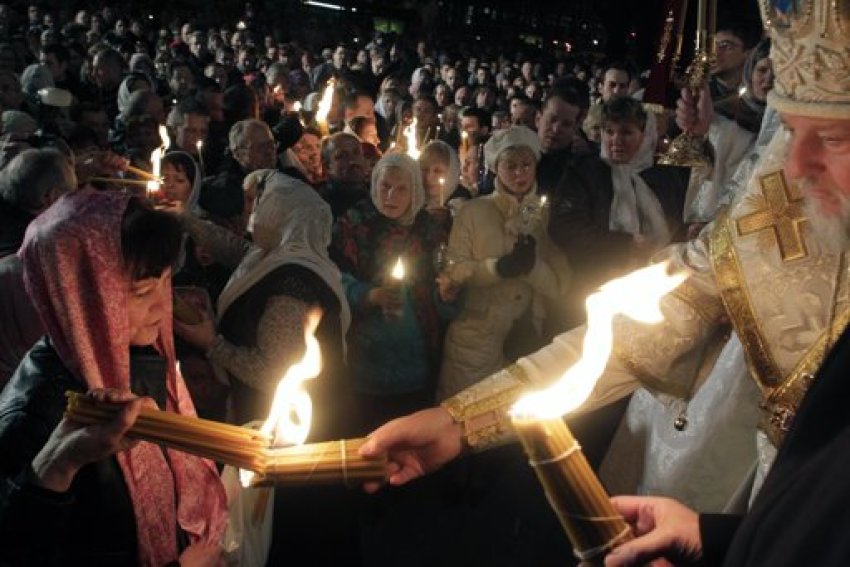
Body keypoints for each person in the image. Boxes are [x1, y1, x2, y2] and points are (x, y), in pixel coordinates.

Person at [359, 0, 847, 529]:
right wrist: (459, 421)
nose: (795, 168)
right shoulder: (777, 215)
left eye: (835, 138)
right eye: (791, 134)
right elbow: (622, 339)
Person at [0, 190, 226, 565]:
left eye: (165, 281)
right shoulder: (34, 418)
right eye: (141, 292)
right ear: (82, 296)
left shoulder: (141, 356)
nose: (162, 305)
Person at [438, 125, 572, 401]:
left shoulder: (546, 214)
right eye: (511, 166)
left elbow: (561, 284)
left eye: (526, 165)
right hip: (476, 337)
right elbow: (456, 267)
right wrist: (498, 268)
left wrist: (532, 268)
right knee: (468, 416)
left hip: (527, 336)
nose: (519, 173)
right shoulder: (473, 211)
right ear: (496, 167)